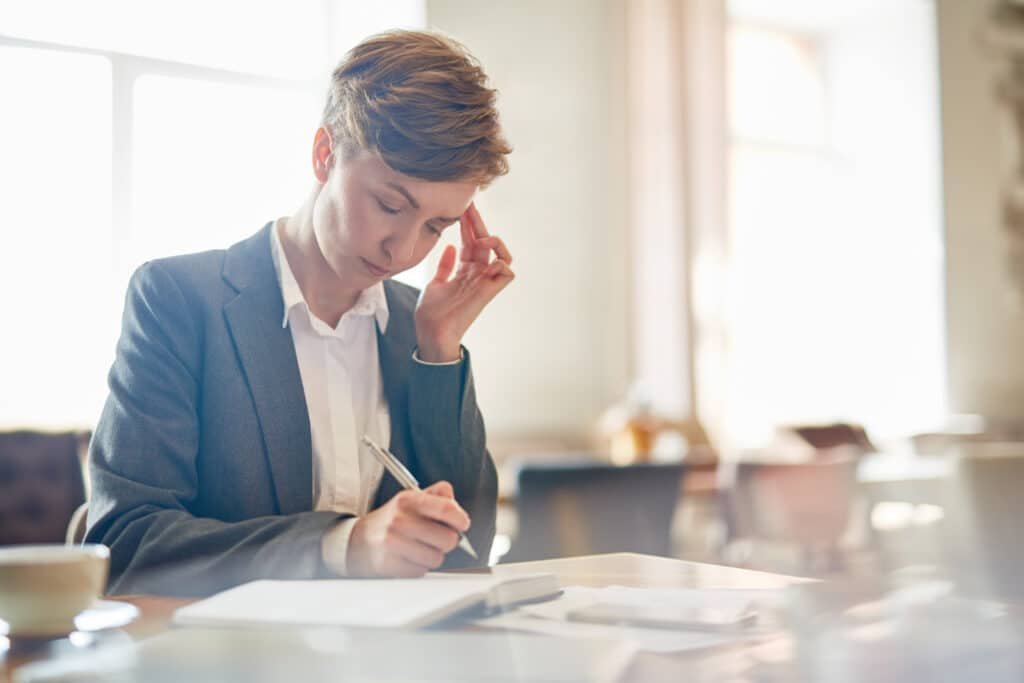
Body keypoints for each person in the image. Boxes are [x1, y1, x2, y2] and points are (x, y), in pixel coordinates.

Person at [85, 30, 514, 596]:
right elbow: (127, 543)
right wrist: (343, 546)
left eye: (436, 226)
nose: (404, 251)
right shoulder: (178, 300)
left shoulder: (419, 323)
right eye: (390, 204)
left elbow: (466, 551)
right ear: (324, 154)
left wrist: (438, 350)